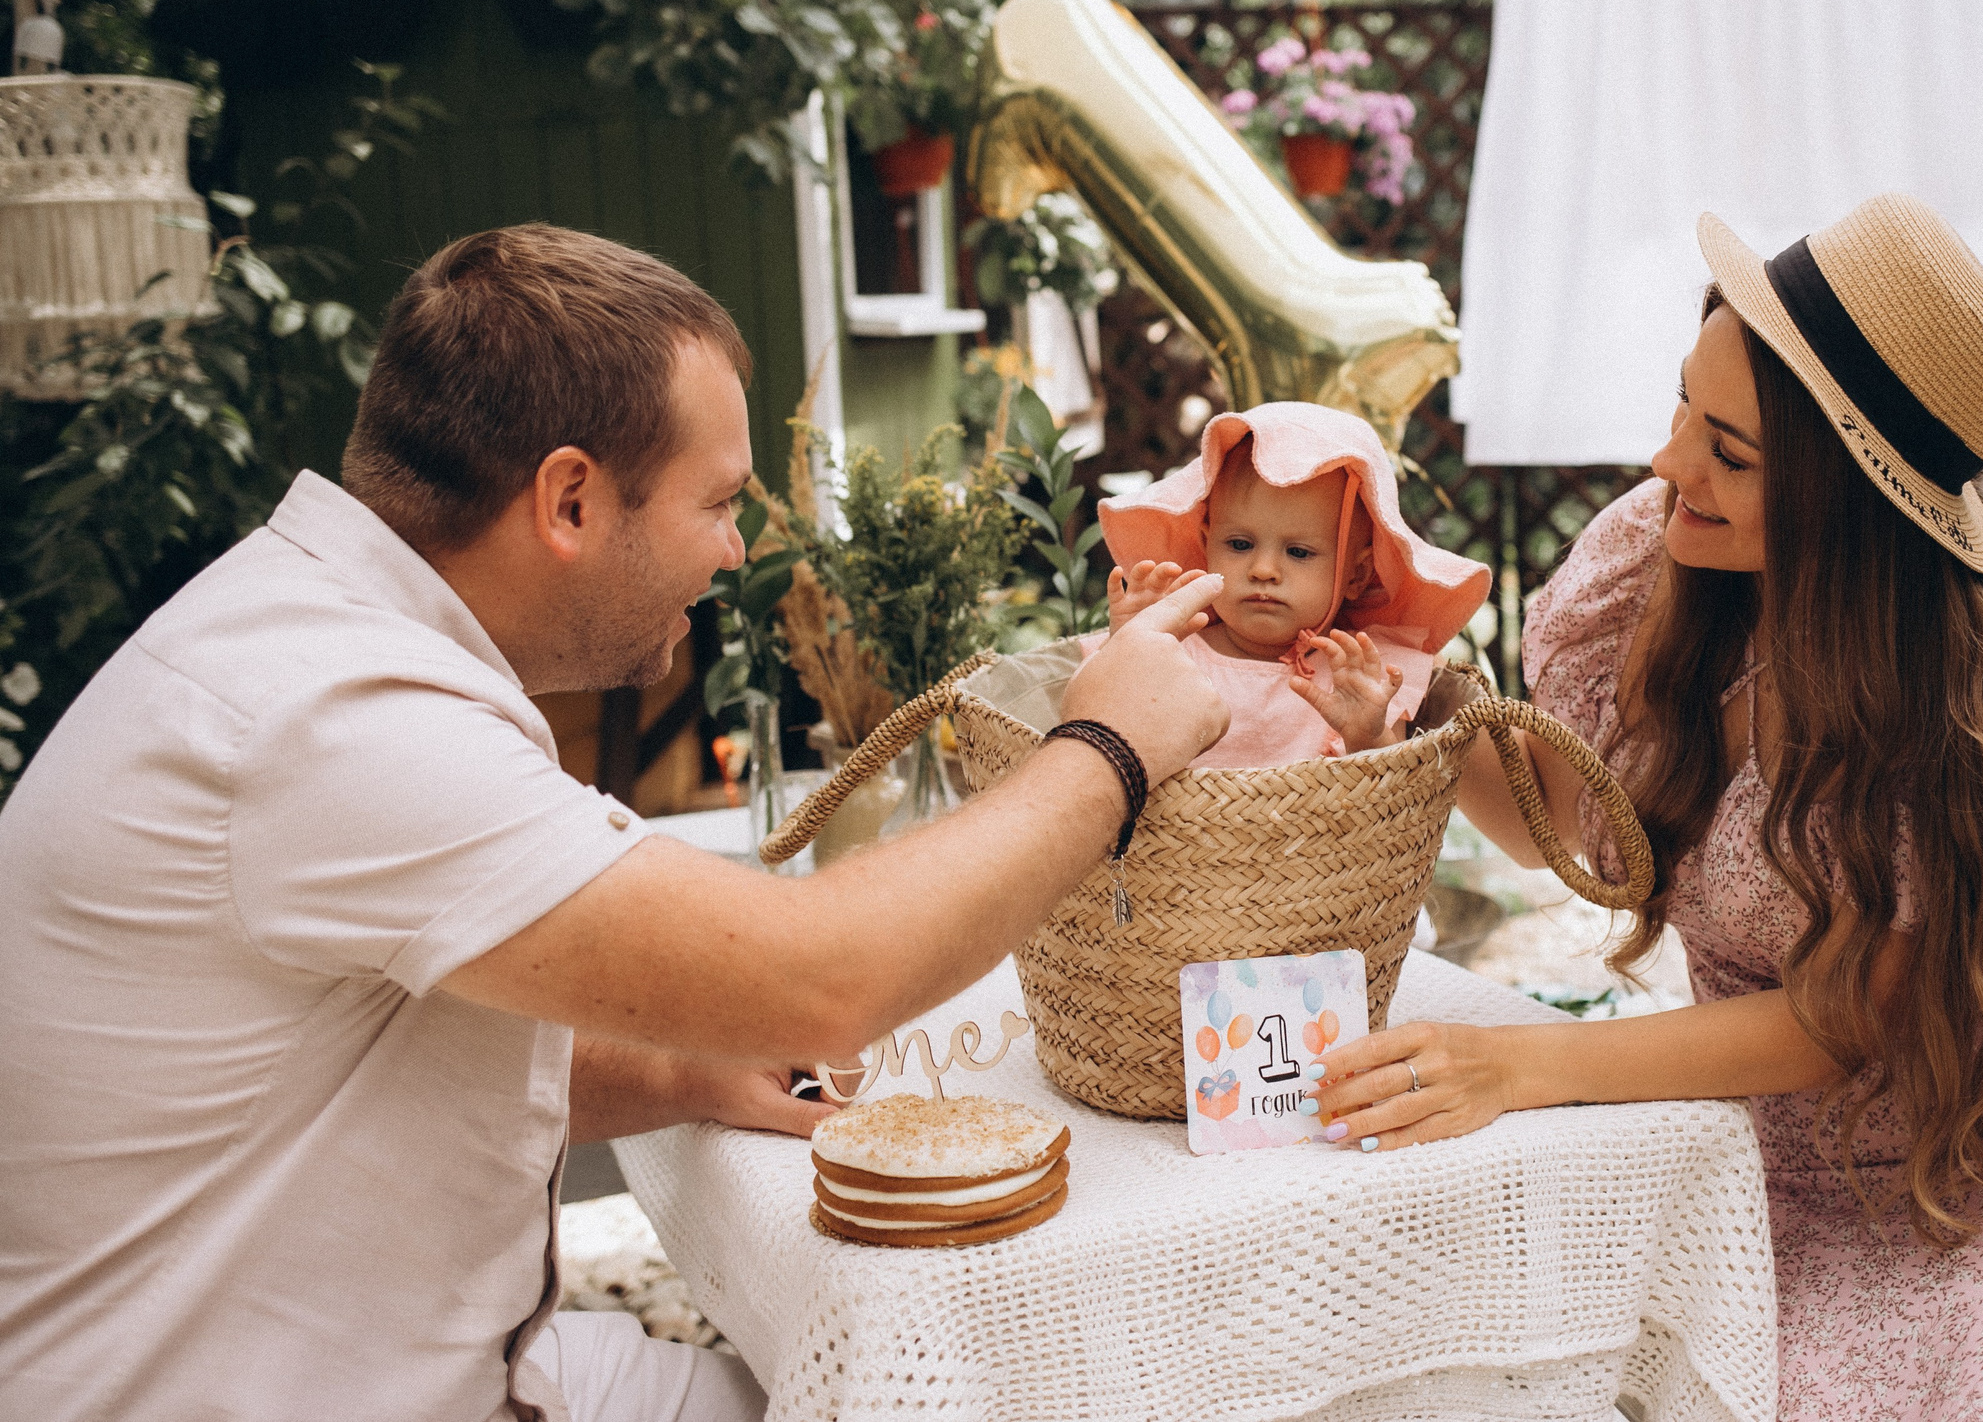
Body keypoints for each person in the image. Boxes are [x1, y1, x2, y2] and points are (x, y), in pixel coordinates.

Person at [0, 225, 1228, 1422]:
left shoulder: (314, 638)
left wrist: (682, 1065)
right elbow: (824, 979)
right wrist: (1107, 747)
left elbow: (371, 1058)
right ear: (572, 499)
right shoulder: (331, 721)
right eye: (718, 504)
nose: (737, 549)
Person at [1313, 194, 1983, 1420]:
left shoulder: (1963, 694)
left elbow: (1847, 1014)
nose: (1666, 464)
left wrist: (1524, 1064)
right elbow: (1570, 817)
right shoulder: (1666, 562)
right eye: (1683, 409)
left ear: (1850, 493)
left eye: (1730, 452)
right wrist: (1415, 711)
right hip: (1753, 1164)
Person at [1088, 401, 1489, 768]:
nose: (1263, 570)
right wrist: (1127, 648)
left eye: (1298, 553)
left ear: (1357, 575)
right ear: (1207, 545)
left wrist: (1366, 734)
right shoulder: (1171, 652)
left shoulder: (1360, 673)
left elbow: (1392, 800)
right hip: (1177, 847)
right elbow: (1092, 740)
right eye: (1240, 544)